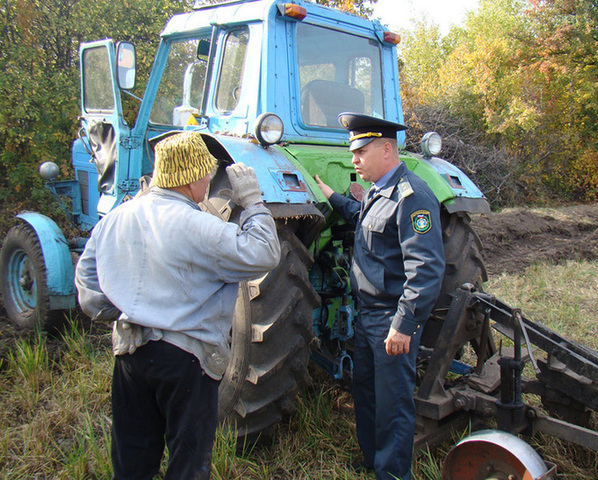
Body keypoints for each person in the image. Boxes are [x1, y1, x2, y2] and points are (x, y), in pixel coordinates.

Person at [75, 131, 281, 480]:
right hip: (186, 364)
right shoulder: (202, 227)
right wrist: (254, 203)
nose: (208, 181)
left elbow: (89, 293)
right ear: (192, 177)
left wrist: (133, 310)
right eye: (207, 173)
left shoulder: (114, 219)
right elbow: (265, 253)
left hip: (130, 355)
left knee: (132, 460)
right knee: (188, 463)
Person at [314, 113, 445, 480]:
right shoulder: (378, 190)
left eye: (361, 151)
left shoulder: (413, 195)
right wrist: (332, 196)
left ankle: (392, 474)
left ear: (387, 149)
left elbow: (427, 269)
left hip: (392, 318)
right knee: (368, 394)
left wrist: (403, 326)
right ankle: (372, 460)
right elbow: (363, 217)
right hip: (368, 315)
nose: (354, 159)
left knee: (394, 404)